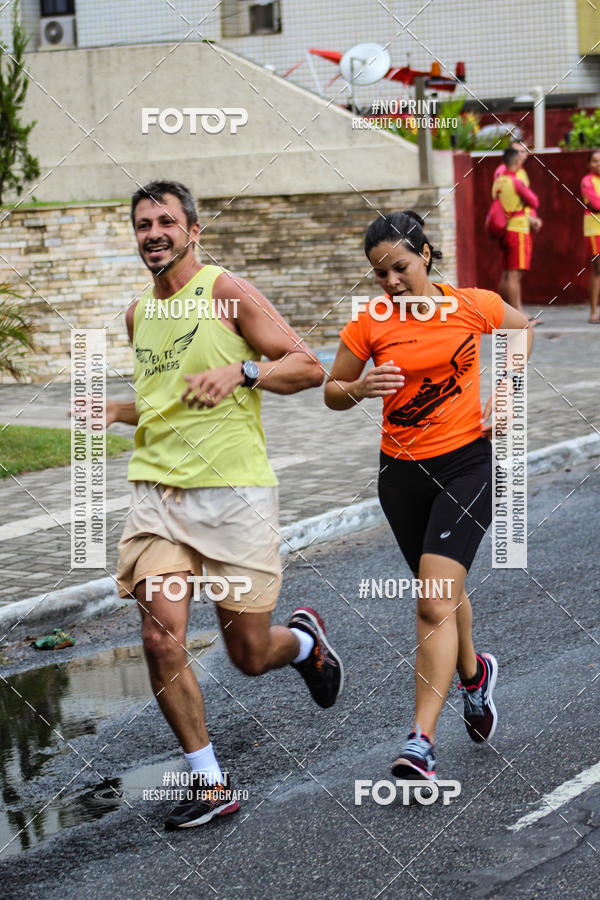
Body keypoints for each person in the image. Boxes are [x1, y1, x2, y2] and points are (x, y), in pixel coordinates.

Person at [105, 180, 343, 829]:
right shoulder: (136, 315)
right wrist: (117, 411)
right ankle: (210, 784)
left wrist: (242, 372)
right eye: (143, 223)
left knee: (247, 653)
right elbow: (166, 401)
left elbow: (306, 365)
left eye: (166, 222)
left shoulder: (225, 293)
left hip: (235, 494)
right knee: (159, 637)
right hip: (159, 495)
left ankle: (301, 646)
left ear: (193, 230)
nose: (153, 232)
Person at [324, 210, 532, 782]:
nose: (390, 282)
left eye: (400, 266)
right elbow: (332, 392)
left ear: (426, 255)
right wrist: (360, 387)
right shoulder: (370, 323)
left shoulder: (472, 304)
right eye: (379, 274)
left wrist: (508, 392)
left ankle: (420, 742)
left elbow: (522, 328)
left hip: (467, 465)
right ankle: (474, 675)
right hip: (401, 475)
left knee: (433, 599)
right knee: (441, 587)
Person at [492, 146, 542, 323]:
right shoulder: (515, 180)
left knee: (507, 273)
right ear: (514, 161)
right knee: (514, 275)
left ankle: (508, 313)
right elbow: (533, 201)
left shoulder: (499, 181)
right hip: (518, 228)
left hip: (505, 229)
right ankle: (517, 318)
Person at [581, 149, 600, 323]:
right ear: (588, 164)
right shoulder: (587, 181)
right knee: (597, 270)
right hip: (595, 229)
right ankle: (593, 312)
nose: (598, 164)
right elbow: (596, 203)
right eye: (595, 161)